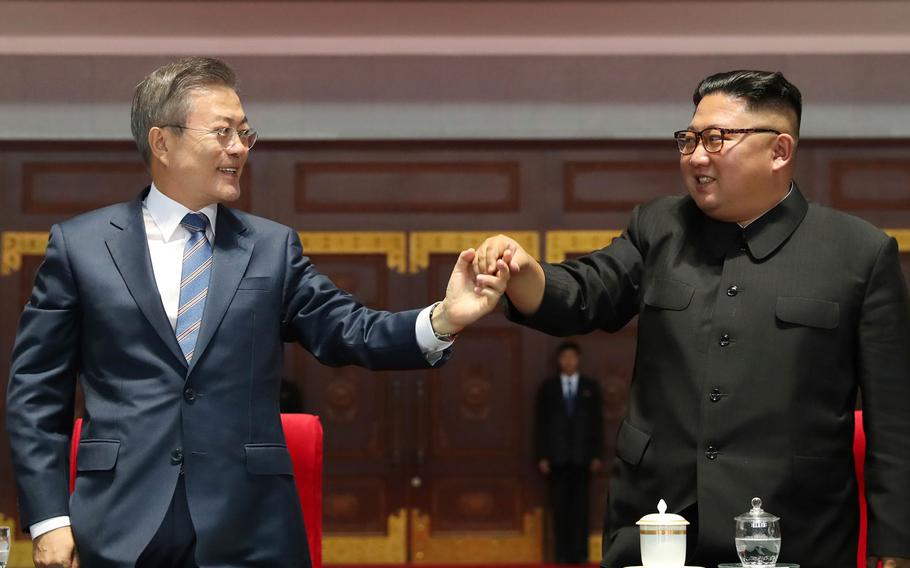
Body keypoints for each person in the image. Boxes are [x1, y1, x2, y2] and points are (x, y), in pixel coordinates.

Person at [5, 56, 509, 568]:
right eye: (222, 132)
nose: (239, 148)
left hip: (249, 529)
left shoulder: (270, 248)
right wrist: (49, 519)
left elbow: (349, 330)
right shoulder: (82, 246)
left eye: (245, 133)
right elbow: (35, 392)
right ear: (162, 142)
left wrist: (444, 318)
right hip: (118, 525)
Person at [473, 70, 910, 568]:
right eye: (689, 139)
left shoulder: (859, 253)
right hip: (658, 523)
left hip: (791, 529)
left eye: (716, 139)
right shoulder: (659, 227)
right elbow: (586, 291)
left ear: (779, 151)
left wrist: (894, 546)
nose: (696, 156)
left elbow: (894, 423)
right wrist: (522, 272)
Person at [535, 341, 603, 565]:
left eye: (572, 357)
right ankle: (561, 554)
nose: (568, 361)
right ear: (558, 360)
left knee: (581, 510)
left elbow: (597, 423)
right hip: (557, 458)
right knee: (560, 508)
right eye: (564, 357)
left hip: (582, 458)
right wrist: (542, 455)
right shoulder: (549, 387)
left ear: (578, 359)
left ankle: (580, 554)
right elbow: (540, 424)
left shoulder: (590, 387)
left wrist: (596, 455)